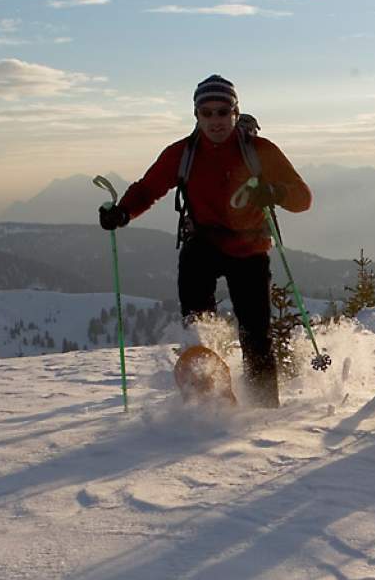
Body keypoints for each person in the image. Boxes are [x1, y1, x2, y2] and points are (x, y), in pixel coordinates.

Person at [98, 74, 313, 407]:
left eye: (222, 111)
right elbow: (148, 189)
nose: (215, 120)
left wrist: (275, 192)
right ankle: (207, 403)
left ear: (235, 112)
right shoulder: (183, 153)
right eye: (206, 112)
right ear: (196, 115)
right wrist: (123, 212)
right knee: (198, 329)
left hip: (250, 249)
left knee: (255, 335)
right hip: (202, 244)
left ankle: (263, 412)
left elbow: (303, 198)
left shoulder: (260, 151)